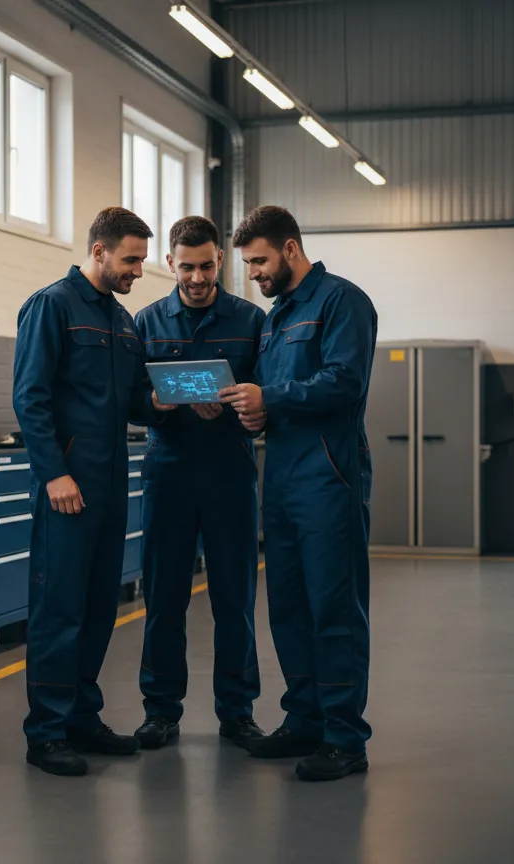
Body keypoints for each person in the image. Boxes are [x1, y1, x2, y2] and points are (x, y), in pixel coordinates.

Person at [12, 206, 175, 777]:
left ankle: (82, 717)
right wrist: (53, 473)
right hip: (67, 486)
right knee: (59, 608)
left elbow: (134, 403)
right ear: (99, 251)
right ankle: (46, 732)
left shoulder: (122, 321)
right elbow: (30, 397)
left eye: (142, 261)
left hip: (109, 486)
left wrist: (171, 400)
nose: (137, 271)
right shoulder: (52, 306)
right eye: (130, 259)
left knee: (100, 606)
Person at [219, 205, 378, 782]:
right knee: (287, 605)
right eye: (248, 264)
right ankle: (304, 719)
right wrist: (253, 413)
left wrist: (271, 398)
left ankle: (344, 738)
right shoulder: (277, 317)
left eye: (260, 261)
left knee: (333, 606)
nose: (254, 274)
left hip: (329, 475)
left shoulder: (342, 301)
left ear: (290, 248)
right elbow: (272, 395)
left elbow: (344, 381)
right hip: (282, 477)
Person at [130, 216, 267, 750]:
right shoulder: (146, 322)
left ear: (220, 261)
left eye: (207, 266)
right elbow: (131, 400)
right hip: (168, 474)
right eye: (186, 267)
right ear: (170, 263)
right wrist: (158, 403)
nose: (197, 278)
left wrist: (236, 407)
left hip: (230, 474)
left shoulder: (251, 321)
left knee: (235, 598)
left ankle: (237, 713)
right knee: (165, 598)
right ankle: (160, 711)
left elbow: (267, 397)